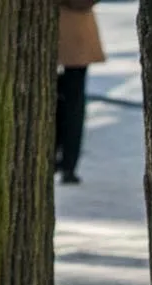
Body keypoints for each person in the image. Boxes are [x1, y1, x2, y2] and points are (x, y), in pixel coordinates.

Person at [56, 0, 106, 185]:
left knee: (72, 107)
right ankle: (63, 162)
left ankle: (68, 163)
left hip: (74, 38)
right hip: (67, 37)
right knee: (68, 106)